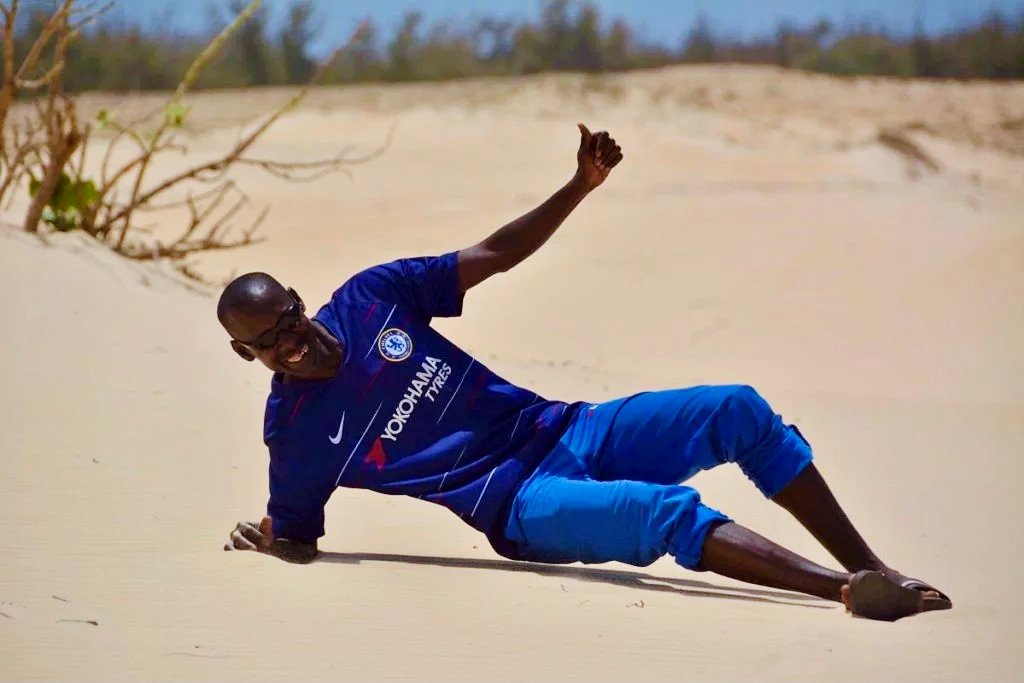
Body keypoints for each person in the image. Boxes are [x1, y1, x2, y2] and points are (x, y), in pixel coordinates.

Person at [219, 124, 951, 622]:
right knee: (660, 510)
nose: (295, 342)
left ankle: (878, 566)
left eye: (292, 317)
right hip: (521, 503)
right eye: (272, 342)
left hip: (567, 426)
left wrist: (579, 186)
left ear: (298, 298)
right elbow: (297, 529)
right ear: (247, 355)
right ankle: (846, 590)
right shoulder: (296, 434)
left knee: (736, 407)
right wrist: (273, 534)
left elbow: (494, 254)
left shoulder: (372, 297)